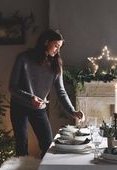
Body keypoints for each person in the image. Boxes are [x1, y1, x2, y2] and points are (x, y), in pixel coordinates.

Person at [9, 29, 84, 158]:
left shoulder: (56, 65)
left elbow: (61, 92)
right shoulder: (23, 58)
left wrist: (73, 111)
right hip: (19, 106)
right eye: (56, 46)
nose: (57, 50)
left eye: (59, 47)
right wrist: (30, 97)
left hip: (39, 109)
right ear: (45, 42)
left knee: (48, 145)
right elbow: (12, 87)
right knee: (21, 144)